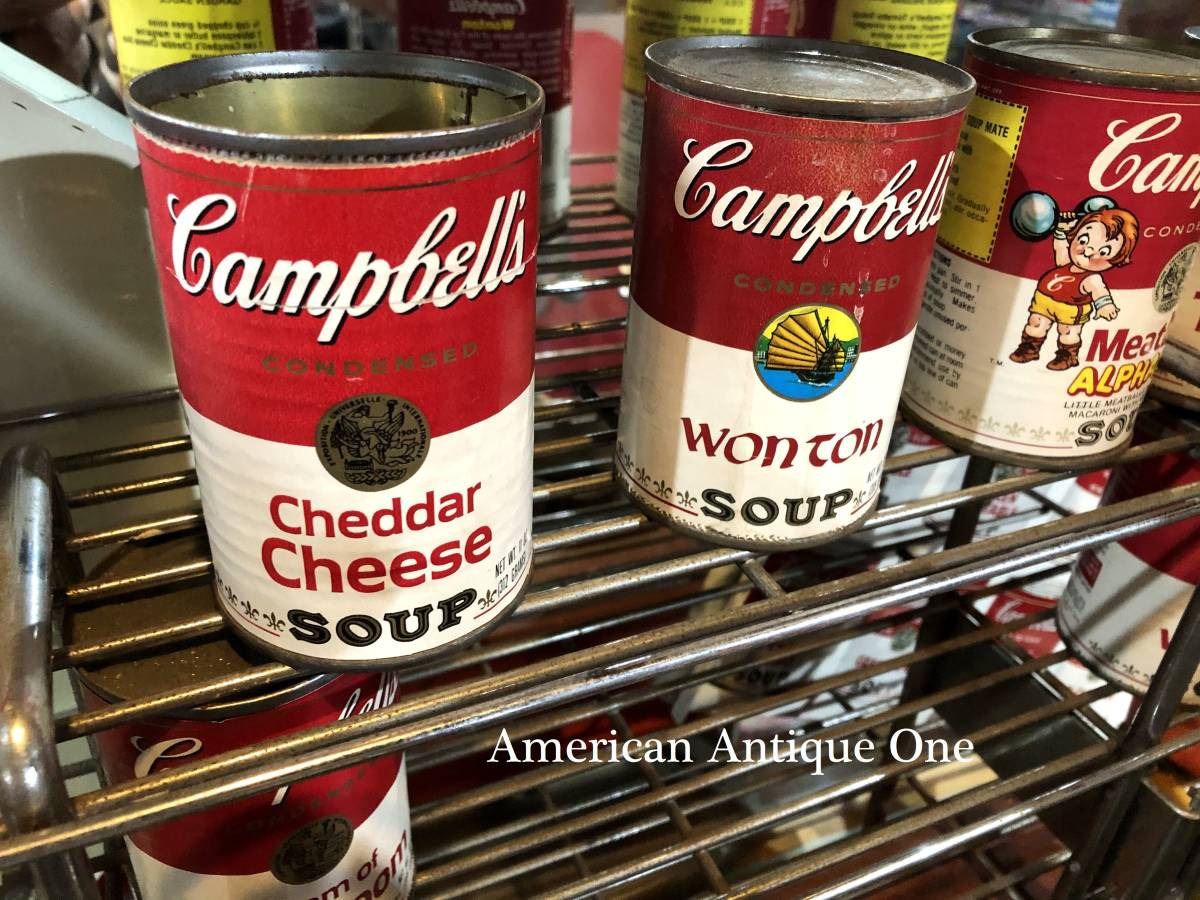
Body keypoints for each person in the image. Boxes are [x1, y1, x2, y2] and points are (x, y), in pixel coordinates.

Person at [1008, 205, 1139, 371]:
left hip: (1071, 308)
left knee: (1067, 331)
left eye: (1103, 251)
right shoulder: (1066, 263)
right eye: (1083, 240)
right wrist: (1061, 231)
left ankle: (1068, 356)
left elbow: (1099, 290)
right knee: (1036, 322)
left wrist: (1105, 306)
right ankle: (1029, 349)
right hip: (1044, 299)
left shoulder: (1091, 278)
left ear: (1117, 258)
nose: (1088, 251)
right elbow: (1060, 249)